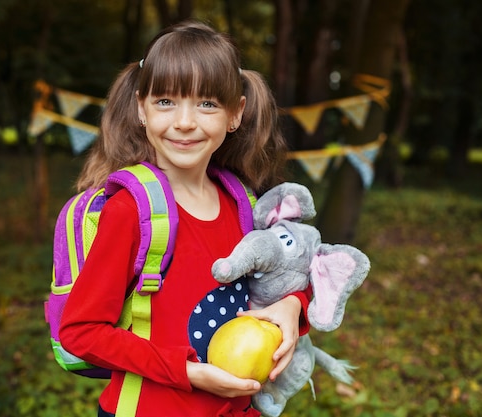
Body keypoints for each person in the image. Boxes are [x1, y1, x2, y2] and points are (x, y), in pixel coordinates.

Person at [59, 20, 311, 417]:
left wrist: (294, 307)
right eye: (166, 102)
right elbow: (81, 332)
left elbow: (285, 275)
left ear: (235, 114)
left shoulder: (242, 201)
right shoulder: (130, 212)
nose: (184, 122)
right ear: (141, 107)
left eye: (207, 104)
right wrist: (188, 372)